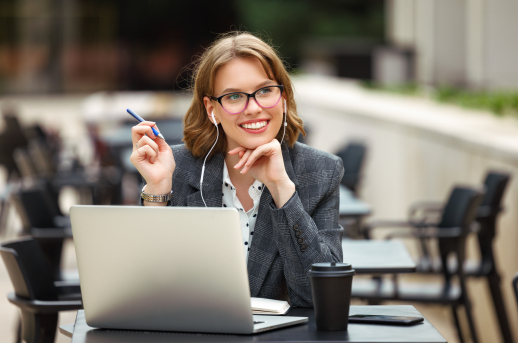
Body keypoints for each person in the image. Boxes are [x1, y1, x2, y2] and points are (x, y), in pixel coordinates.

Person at [130, 32, 344, 307]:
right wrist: (158, 190)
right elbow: (146, 293)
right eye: (234, 96)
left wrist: (283, 191)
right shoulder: (177, 168)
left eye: (265, 91)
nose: (253, 108)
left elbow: (323, 300)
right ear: (212, 109)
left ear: (284, 97)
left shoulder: (321, 172)